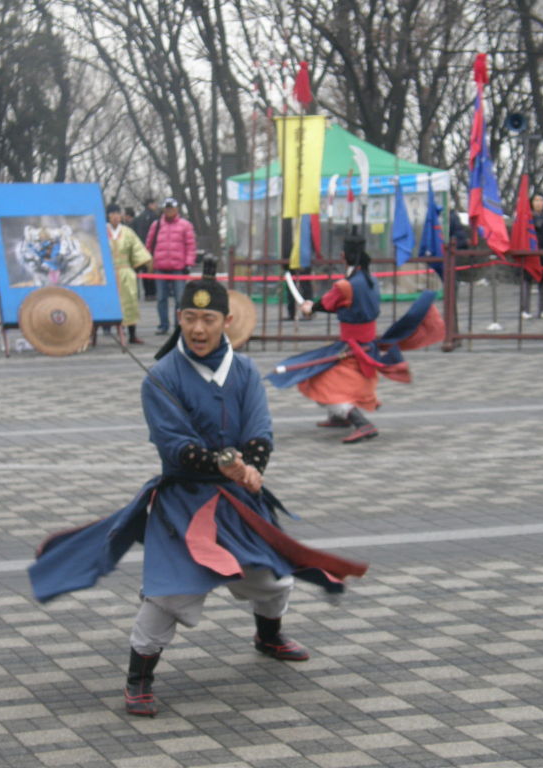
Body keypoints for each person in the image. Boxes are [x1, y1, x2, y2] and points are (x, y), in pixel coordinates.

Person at [28, 260, 367, 718]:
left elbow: (259, 429)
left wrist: (253, 466)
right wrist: (224, 464)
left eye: (208, 319)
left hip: (240, 503)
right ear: (180, 318)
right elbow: (176, 447)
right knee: (170, 593)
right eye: (190, 318)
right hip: (184, 503)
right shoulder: (162, 377)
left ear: (227, 320)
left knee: (272, 576)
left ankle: (268, 636)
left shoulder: (243, 370)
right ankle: (138, 678)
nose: (198, 328)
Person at [268, 233, 444, 444]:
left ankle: (362, 424)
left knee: (322, 381)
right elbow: (341, 305)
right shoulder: (370, 280)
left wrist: (309, 308)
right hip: (364, 346)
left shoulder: (345, 286)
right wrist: (314, 306)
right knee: (316, 373)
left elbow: (327, 303)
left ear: (343, 255)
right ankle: (338, 417)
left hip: (353, 350)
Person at [146, 196, 196, 335]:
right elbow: (149, 244)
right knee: (161, 298)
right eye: (167, 208)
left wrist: (188, 263)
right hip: (160, 267)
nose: (169, 211)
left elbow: (190, 246)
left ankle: (178, 325)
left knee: (180, 299)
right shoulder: (156, 225)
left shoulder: (185, 225)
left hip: (178, 268)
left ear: (177, 209)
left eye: (171, 208)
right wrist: (148, 261)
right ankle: (163, 325)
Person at [107, 203, 152, 344]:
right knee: (108, 302)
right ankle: (105, 328)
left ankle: (132, 334)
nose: (116, 217)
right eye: (112, 214)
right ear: (108, 216)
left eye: (117, 213)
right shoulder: (102, 232)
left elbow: (137, 249)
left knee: (130, 301)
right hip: (107, 273)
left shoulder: (128, 232)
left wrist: (144, 263)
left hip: (125, 271)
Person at [521, 192, 543, 319]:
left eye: (541, 200)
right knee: (527, 280)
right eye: (536, 200)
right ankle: (525, 309)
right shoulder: (527, 217)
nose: (539, 203)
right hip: (530, 251)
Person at [132, 198, 159, 300]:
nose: (156, 206)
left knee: (144, 271)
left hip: (140, 249)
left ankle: (147, 293)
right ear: (150, 204)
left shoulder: (138, 218)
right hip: (151, 248)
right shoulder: (154, 217)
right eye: (154, 204)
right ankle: (153, 293)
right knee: (152, 271)